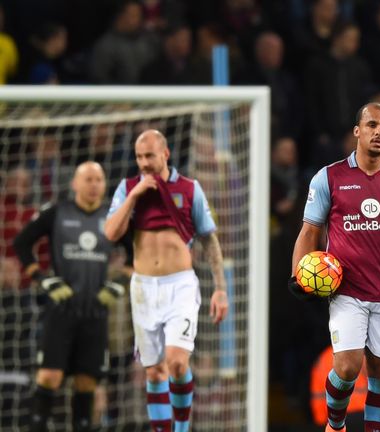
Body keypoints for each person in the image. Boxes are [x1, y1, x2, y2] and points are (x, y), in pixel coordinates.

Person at [289, 102, 380, 432]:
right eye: (372, 125)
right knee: (346, 367)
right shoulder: (329, 177)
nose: (378, 132)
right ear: (357, 131)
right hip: (346, 290)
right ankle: (335, 424)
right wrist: (297, 274)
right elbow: (309, 232)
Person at [104, 130, 229, 432]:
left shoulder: (189, 188)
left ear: (165, 154)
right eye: (139, 157)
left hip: (181, 286)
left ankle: (182, 428)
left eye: (150, 156)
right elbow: (110, 233)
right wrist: (134, 196)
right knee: (155, 373)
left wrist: (220, 289)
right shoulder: (127, 187)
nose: (144, 163)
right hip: (144, 289)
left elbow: (208, 239)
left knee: (176, 363)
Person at [13, 162, 131, 432]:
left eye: (99, 179)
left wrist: (120, 283)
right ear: (75, 184)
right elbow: (22, 242)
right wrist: (42, 279)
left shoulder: (113, 218)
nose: (94, 185)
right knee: (49, 376)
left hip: (96, 312)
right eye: (88, 179)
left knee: (87, 382)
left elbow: (135, 253)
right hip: (61, 311)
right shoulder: (57, 213)